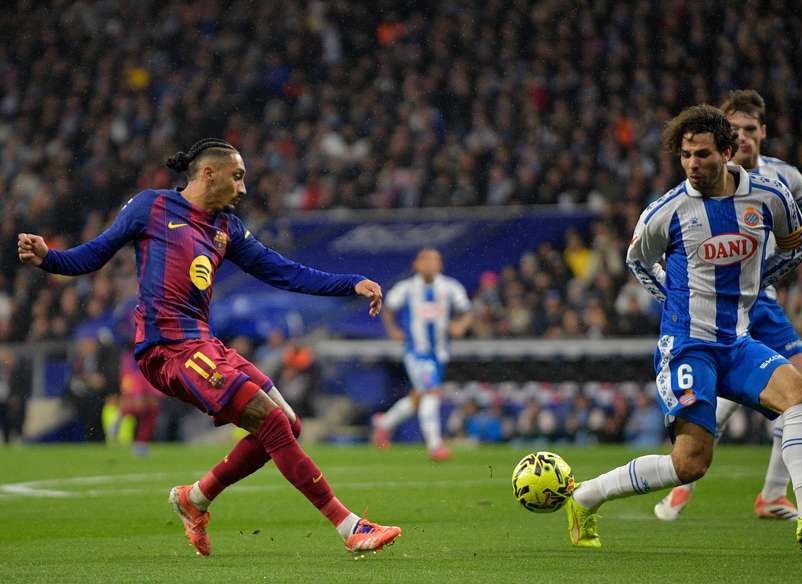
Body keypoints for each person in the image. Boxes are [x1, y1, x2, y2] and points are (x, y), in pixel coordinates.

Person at [17, 138, 401, 556]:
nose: (243, 188)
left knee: (288, 425)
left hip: (204, 344)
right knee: (272, 423)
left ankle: (195, 498)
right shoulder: (152, 207)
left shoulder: (227, 228)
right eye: (237, 177)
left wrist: (350, 284)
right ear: (208, 173)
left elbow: (284, 272)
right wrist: (49, 258)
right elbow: (93, 255)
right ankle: (349, 526)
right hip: (167, 347)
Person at [563, 105, 802, 549]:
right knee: (690, 464)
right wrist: (674, 299)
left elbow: (794, 247)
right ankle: (586, 497)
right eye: (686, 155)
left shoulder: (770, 195)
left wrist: (756, 283)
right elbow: (638, 262)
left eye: (703, 154)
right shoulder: (666, 211)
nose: (692, 163)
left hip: (737, 342)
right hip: (687, 347)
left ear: (727, 152)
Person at [654, 90, 802, 522]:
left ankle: (769, 494)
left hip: (762, 303)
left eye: (750, 129)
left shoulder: (780, 179)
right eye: (735, 129)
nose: (743, 137)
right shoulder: (695, 192)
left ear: (762, 132)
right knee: (743, 387)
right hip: (712, 310)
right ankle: (690, 479)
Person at [372, 248, 472, 460]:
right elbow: (387, 308)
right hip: (417, 352)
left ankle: (384, 423)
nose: (429, 264)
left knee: (418, 396)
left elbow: (466, 311)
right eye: (425, 260)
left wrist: (460, 326)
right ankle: (435, 446)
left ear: (440, 265)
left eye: (434, 260)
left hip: (440, 353)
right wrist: (392, 330)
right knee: (430, 392)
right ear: (416, 265)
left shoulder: (450, 287)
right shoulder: (406, 288)